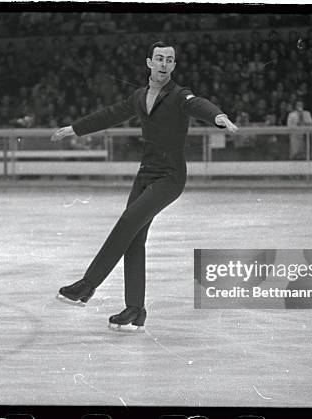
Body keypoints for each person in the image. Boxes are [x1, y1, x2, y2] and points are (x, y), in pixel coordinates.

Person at [50, 41, 238, 332]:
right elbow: (109, 114)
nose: (164, 63)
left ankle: (87, 286)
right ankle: (135, 311)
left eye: (170, 60)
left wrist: (218, 116)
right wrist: (74, 128)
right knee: (134, 239)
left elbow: (197, 103)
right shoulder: (138, 96)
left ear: (174, 66)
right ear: (149, 62)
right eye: (159, 58)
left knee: (127, 222)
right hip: (145, 174)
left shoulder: (179, 95)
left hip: (170, 177)